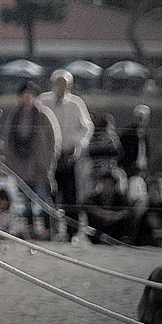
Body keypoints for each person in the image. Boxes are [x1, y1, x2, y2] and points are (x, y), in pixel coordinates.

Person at [0, 81, 60, 241]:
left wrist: (49, 163)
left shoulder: (43, 114)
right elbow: (8, 138)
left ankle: (51, 229)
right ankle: (31, 230)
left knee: (43, 198)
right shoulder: (15, 115)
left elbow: (53, 140)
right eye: (24, 94)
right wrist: (10, 161)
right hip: (21, 166)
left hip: (40, 166)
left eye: (30, 94)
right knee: (25, 201)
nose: (27, 97)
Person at [39, 69, 93, 241]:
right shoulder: (43, 101)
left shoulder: (76, 104)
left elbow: (86, 127)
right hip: (48, 155)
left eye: (65, 84)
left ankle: (72, 232)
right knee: (49, 193)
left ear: (70, 85)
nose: (61, 87)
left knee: (70, 195)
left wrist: (76, 144)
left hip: (67, 155)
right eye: (58, 83)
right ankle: (50, 229)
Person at [83, 171, 134, 244]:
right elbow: (88, 206)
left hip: (115, 229)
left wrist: (116, 216)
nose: (106, 187)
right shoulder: (94, 197)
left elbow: (127, 210)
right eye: (104, 184)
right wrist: (104, 214)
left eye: (109, 184)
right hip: (98, 229)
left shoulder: (121, 198)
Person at [133, 178, 162, 247]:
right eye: (151, 190)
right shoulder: (144, 209)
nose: (154, 193)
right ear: (148, 193)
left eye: (156, 190)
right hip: (149, 244)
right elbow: (142, 233)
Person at [86, 112, 124, 193]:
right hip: (108, 172)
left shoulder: (91, 138)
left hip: (95, 171)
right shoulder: (111, 137)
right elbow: (118, 152)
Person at [119, 104, 151, 184]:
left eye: (143, 119)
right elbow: (123, 150)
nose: (141, 121)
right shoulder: (127, 133)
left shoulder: (144, 133)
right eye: (139, 118)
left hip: (142, 168)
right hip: (129, 168)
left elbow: (145, 151)